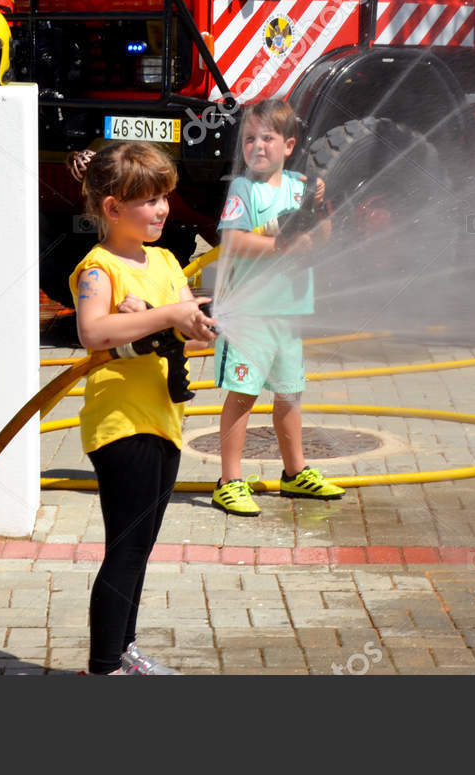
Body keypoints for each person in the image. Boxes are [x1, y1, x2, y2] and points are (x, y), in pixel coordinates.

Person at [72, 141, 216, 675]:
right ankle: (105, 664)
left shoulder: (165, 261)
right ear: (112, 209)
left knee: (142, 548)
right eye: (149, 200)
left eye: (164, 198)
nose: (161, 209)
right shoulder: (99, 267)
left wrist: (198, 322)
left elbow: (188, 330)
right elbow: (93, 331)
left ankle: (125, 652)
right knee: (125, 548)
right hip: (121, 425)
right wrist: (164, 315)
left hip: (164, 419)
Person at [210, 98, 344, 516]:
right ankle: (229, 479)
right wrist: (281, 244)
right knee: (242, 396)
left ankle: (295, 471)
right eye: (249, 138)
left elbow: (324, 236)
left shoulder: (300, 186)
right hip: (249, 315)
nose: (257, 146)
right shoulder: (242, 190)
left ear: (289, 145)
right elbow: (231, 242)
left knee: (290, 393)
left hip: (288, 312)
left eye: (267, 138)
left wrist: (319, 209)